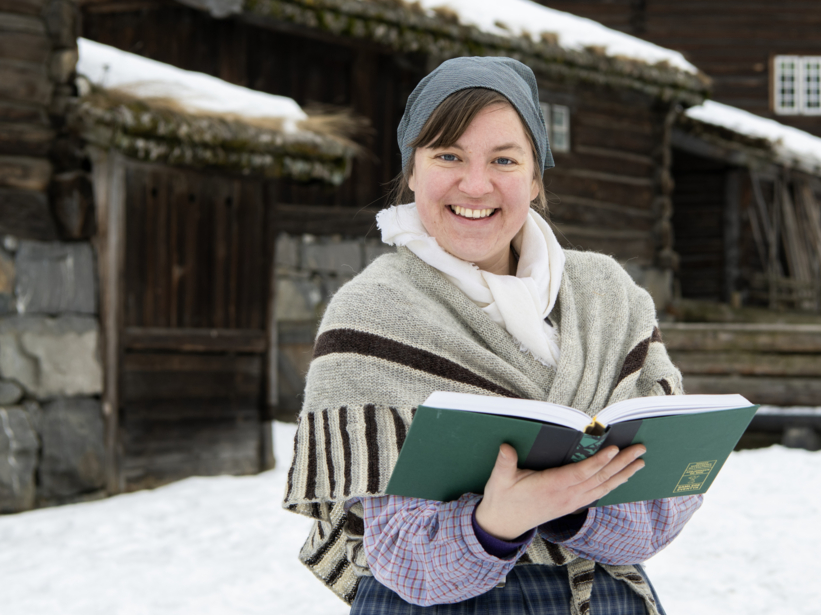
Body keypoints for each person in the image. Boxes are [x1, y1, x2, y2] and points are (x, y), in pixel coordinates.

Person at [284, 56, 702, 615]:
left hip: (602, 600)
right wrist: (497, 522)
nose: (475, 184)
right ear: (414, 171)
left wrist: (572, 509)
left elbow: (667, 499)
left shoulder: (608, 294)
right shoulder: (372, 315)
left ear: (534, 178)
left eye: (503, 159)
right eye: (448, 155)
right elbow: (400, 558)